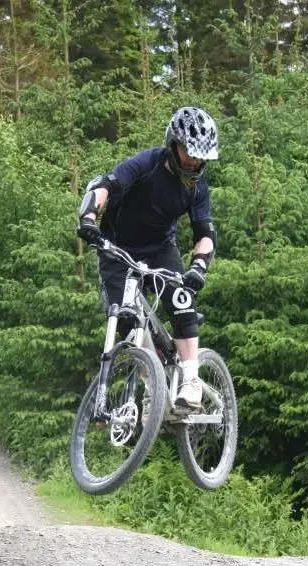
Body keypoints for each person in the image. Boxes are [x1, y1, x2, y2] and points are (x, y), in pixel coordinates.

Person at [76, 106, 219, 410]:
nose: (194, 161)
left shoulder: (196, 188)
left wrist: (198, 268)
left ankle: (191, 378)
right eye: (189, 152)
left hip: (159, 251)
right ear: (173, 144)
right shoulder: (148, 162)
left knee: (182, 300)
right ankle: (153, 388)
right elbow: (106, 186)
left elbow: (204, 233)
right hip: (115, 249)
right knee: (127, 320)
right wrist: (89, 216)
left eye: (200, 156)